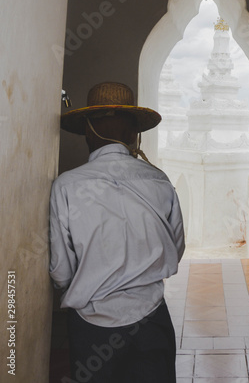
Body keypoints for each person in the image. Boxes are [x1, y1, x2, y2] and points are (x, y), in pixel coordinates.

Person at [49, 82, 185, 383]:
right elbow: (176, 249)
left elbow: (61, 270)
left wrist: (90, 284)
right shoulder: (159, 181)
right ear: (134, 134)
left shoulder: (66, 185)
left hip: (91, 324)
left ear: (88, 130)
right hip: (151, 319)